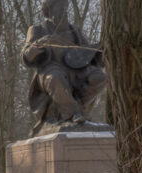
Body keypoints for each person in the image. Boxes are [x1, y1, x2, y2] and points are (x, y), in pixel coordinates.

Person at [22, 0, 106, 135]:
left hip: (76, 70)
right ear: (49, 11)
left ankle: (77, 108)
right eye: (59, 8)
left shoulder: (75, 31)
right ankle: (74, 113)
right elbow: (26, 56)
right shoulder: (38, 29)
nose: (63, 11)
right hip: (50, 69)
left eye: (64, 8)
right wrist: (39, 45)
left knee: (99, 77)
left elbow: (88, 53)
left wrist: (100, 53)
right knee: (55, 78)